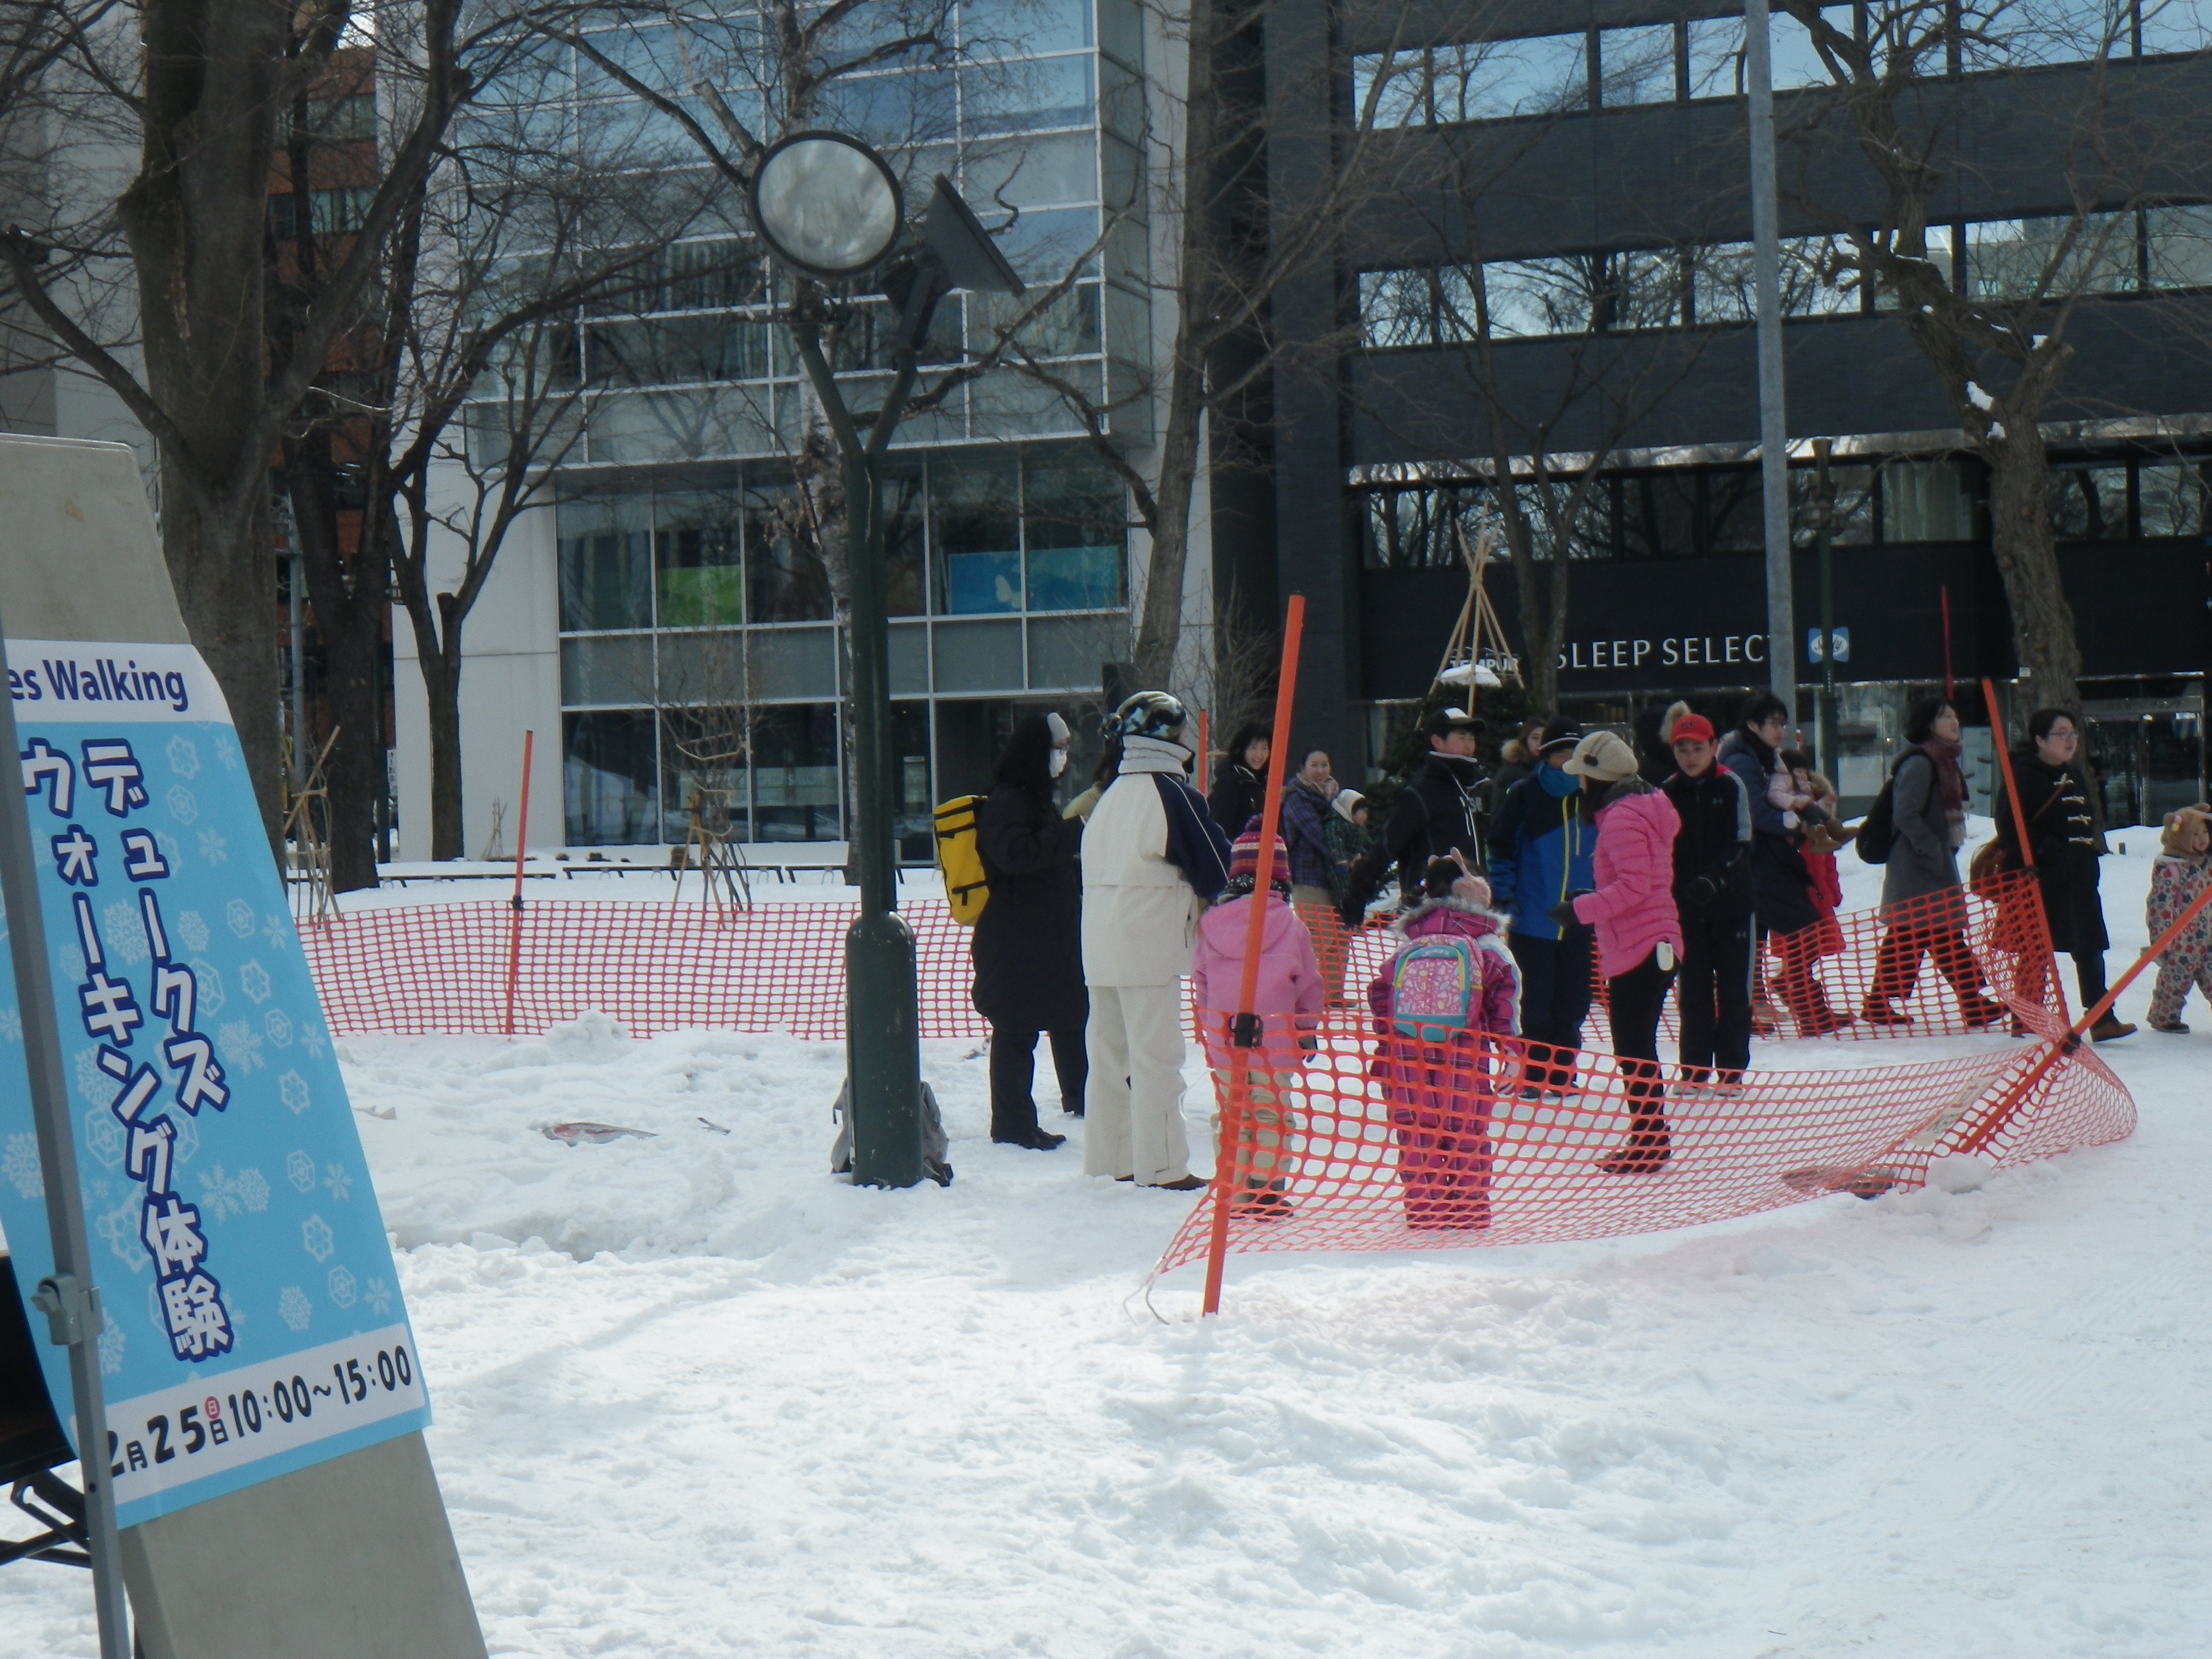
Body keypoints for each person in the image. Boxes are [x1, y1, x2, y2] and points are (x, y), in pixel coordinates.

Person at [1080, 691, 1234, 1190]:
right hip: (1146, 939)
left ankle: (1112, 1158)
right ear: (1171, 737)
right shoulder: (1172, 793)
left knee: (1108, 1057)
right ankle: (1164, 1165)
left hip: (1099, 939)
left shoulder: (1109, 796)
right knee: (1156, 1057)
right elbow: (1218, 867)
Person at [1367, 856, 1522, 1229]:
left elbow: (1381, 994)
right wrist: (1510, 1049)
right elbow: (1505, 994)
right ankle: (1468, 1210)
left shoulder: (1410, 941)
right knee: (1467, 1128)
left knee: (1417, 1130)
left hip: (1409, 1053)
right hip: (1465, 1050)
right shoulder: (1485, 942)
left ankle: (1424, 1211)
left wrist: (1389, 1046)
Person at [1559, 730, 1683, 1175]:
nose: (1578, 785)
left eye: (1582, 776)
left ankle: (1650, 1143)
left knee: (1634, 1047)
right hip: (1657, 939)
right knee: (1637, 1045)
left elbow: (1633, 887)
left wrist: (1580, 910)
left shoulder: (1621, 818)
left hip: (1640, 943)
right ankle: (1650, 1138)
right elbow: (1641, 880)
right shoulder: (1645, 808)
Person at [1190, 828, 1328, 1217]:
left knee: (1234, 1113)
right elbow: (1310, 987)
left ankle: (1233, 1190)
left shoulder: (1211, 925)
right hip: (1276, 1039)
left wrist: (1209, 1026)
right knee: (1271, 1113)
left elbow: (1199, 980)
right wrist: (1306, 1031)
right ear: (1281, 878)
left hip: (1224, 1036)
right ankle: (1268, 1191)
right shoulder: (1292, 925)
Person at [971, 713, 1085, 1148]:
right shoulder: (1008, 801)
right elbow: (1016, 856)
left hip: (1032, 936)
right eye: (1058, 749)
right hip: (1014, 937)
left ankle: (1021, 1121)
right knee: (1016, 1032)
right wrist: (1072, 834)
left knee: (1024, 1029)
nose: (1063, 758)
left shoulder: (1030, 799)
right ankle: (1014, 1124)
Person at [1863, 696, 2006, 1029]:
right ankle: (1883, 1002)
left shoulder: (1944, 760)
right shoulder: (1922, 762)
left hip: (1932, 865)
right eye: (1945, 717)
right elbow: (1906, 814)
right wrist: (1932, 848)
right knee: (1917, 933)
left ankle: (1969, 1002)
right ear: (1929, 724)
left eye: (1955, 715)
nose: (1954, 721)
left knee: (1936, 933)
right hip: (1916, 866)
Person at [1998, 708, 2135, 1041]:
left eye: (2073, 733)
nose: (2070, 740)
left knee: (2090, 945)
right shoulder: (2024, 774)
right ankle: (2028, 1016)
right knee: (2036, 947)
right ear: (2040, 740)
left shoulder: (2073, 772)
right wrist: (2045, 849)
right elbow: (2010, 826)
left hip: (2078, 875)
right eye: (2061, 733)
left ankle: (2102, 1019)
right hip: (2041, 878)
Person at [1485, 715, 1596, 1089]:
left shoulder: (1594, 795)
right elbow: (1500, 847)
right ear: (1544, 755)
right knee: (1534, 1001)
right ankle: (1533, 1074)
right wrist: (1504, 895)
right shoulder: (1524, 793)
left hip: (1581, 918)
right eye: (1559, 752)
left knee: (1573, 1001)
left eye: (1573, 752)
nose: (1567, 759)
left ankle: (1563, 1073)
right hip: (1532, 918)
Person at [1659, 713, 1755, 1086]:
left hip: (1733, 907)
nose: (1690, 756)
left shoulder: (1730, 785)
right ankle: (1695, 1069)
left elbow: (1742, 841)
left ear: (1714, 748)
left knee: (1734, 992)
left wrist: (1715, 879)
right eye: (1682, 749)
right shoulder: (1667, 791)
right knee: (1693, 992)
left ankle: (1731, 1071)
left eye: (1698, 748)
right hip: (1686, 910)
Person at [1715, 694, 1820, 1033]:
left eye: (1783, 722)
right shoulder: (1745, 761)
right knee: (1801, 927)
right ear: (1752, 725)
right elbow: (1754, 813)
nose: (1780, 730)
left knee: (1757, 938)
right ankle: (1803, 1006)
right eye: (1773, 722)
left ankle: (1767, 1006)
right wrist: (1796, 821)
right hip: (1758, 861)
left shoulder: (1761, 757)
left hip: (1762, 860)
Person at [1338, 706, 1489, 920]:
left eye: (1472, 738)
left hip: (1473, 906)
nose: (1469, 744)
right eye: (1461, 736)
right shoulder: (1421, 792)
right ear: (1437, 741)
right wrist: (1357, 896)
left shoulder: (1474, 787)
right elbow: (1386, 848)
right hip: (1433, 908)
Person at [1771, 754, 1852, 1034]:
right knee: (1800, 957)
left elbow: (1828, 862)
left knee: (1806, 957)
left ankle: (1812, 1009)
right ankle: (1812, 1015)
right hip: (1801, 897)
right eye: (1797, 773)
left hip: (1817, 898)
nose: (1803, 778)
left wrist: (1833, 891)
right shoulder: (1790, 820)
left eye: (1805, 773)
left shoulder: (1817, 819)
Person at [1277, 746, 1348, 998]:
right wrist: (1346, 856)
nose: (1320, 771)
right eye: (1314, 765)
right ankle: (1306, 994)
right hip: (1308, 878)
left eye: (1325, 765)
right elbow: (1319, 835)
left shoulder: (1337, 798)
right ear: (1302, 769)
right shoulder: (1297, 798)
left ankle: (1332, 995)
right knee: (1321, 937)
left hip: (1334, 880)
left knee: (1340, 937)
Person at [2146, 804, 2212, 1033]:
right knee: (2174, 981)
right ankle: (2163, 1018)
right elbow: (2160, 906)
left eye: (2205, 832)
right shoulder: (2172, 869)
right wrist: (2162, 940)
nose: (2203, 839)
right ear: (2181, 838)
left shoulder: (2207, 864)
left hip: (2208, 937)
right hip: (2181, 941)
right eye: (2195, 834)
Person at [1208, 722, 1272, 834]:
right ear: (1242, 749)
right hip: (1236, 849)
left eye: (1265, 749)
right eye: (1253, 748)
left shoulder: (1261, 782)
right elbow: (1221, 824)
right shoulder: (1230, 780)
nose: (1259, 755)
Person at [1325, 789, 1370, 900]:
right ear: (1350, 810)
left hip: (1354, 863)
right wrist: (1341, 861)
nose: (1365, 816)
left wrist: (1364, 855)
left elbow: (1364, 843)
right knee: (1343, 889)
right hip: (1338, 865)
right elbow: (1336, 843)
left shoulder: (1360, 829)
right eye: (1362, 812)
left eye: (1366, 812)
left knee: (1356, 888)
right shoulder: (1337, 824)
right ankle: (1344, 907)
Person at [1489, 720, 1546, 800]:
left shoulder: (1547, 771)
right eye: (1535, 738)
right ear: (1525, 740)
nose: (1540, 743)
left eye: (1544, 739)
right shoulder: (1513, 772)